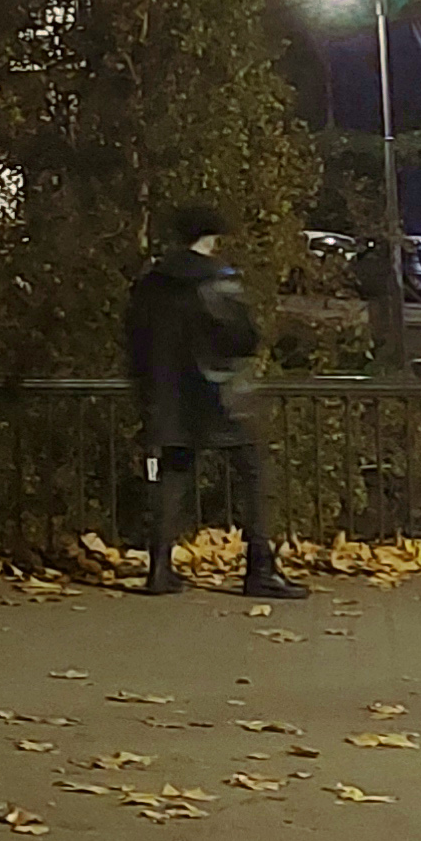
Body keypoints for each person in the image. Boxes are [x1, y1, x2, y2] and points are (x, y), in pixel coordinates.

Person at [124, 203, 307, 600]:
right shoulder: (218, 280)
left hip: (169, 395)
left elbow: (136, 339)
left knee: (173, 476)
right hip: (221, 396)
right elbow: (243, 337)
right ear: (211, 236)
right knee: (253, 477)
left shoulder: (152, 282)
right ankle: (260, 567)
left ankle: (159, 568)